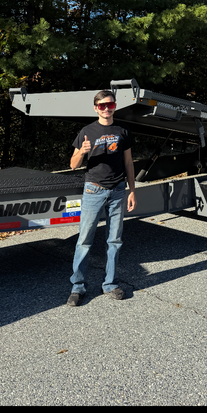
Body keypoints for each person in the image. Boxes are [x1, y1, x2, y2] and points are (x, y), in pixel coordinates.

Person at [67, 89, 136, 305]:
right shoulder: (87, 131)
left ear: (115, 106)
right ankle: (77, 287)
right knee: (84, 240)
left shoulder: (123, 131)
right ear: (96, 108)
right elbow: (72, 164)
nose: (106, 108)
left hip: (117, 190)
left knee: (114, 240)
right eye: (102, 105)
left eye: (110, 104)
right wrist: (82, 151)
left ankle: (111, 284)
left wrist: (132, 190)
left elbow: (128, 163)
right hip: (93, 190)